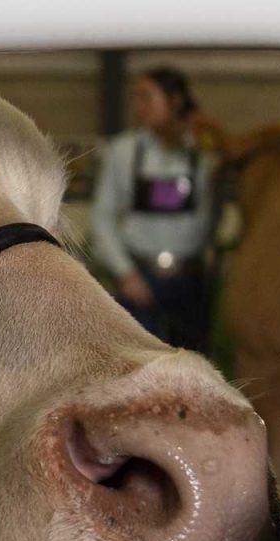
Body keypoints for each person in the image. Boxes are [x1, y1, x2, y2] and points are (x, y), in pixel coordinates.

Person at [91, 67, 216, 352]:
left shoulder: (204, 154)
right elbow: (102, 217)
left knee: (193, 367)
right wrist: (125, 273)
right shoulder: (122, 151)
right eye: (136, 98)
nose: (140, 107)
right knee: (142, 365)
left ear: (175, 101)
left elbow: (211, 213)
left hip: (191, 281)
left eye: (147, 97)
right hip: (141, 279)